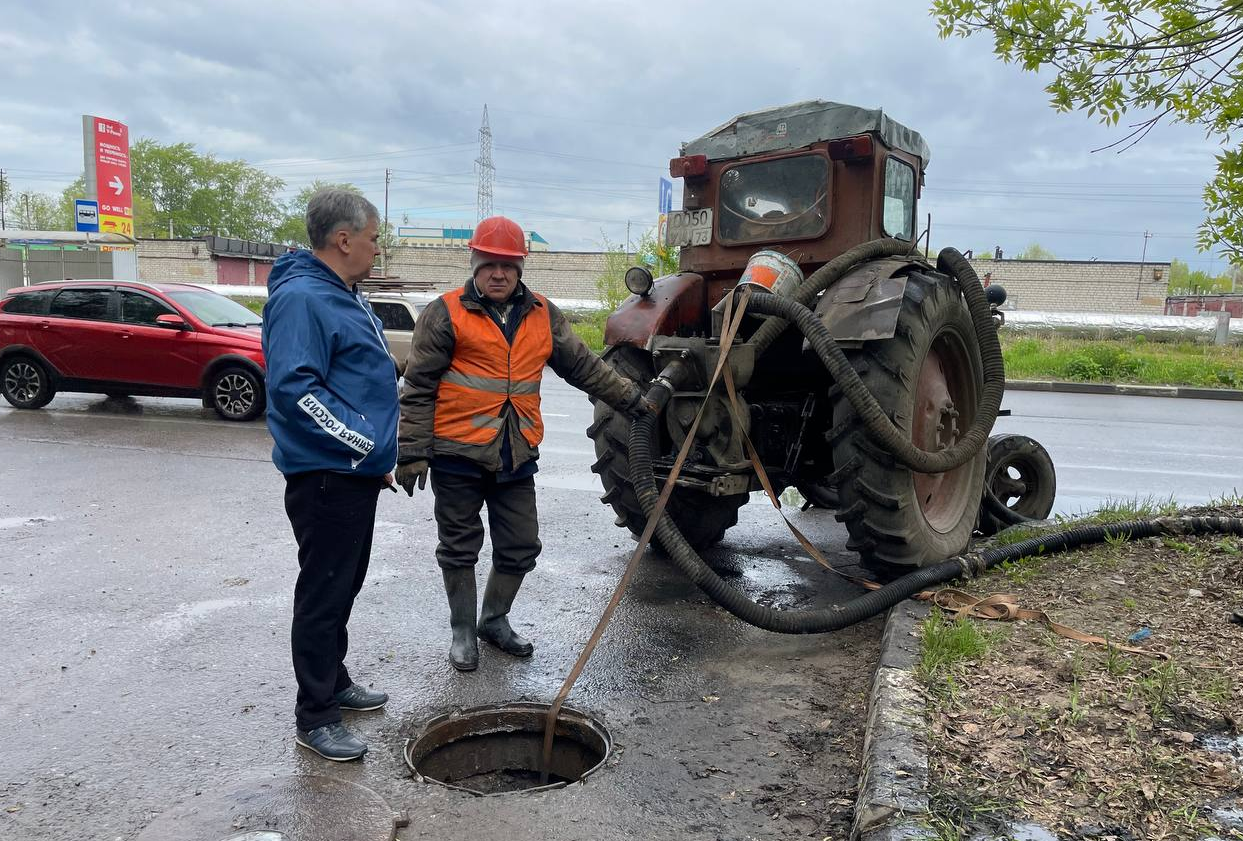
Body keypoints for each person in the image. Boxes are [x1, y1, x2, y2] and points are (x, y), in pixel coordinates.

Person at [396, 215, 652, 671]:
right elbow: (417, 388)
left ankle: (493, 619)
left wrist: (632, 399)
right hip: (457, 453)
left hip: (516, 453)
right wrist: (412, 451)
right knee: (459, 547)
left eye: (508, 266)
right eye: (490, 264)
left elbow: (584, 367)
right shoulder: (446, 311)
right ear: (474, 263)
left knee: (521, 546)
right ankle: (462, 631)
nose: (498, 273)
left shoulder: (542, 313)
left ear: (520, 269)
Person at [262, 188, 399, 761]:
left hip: (351, 473)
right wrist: (364, 443)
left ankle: (335, 681)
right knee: (323, 592)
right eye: (373, 239)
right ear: (343, 240)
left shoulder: (340, 291)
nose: (376, 249)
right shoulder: (303, 300)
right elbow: (296, 390)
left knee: (344, 583)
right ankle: (315, 715)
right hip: (327, 475)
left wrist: (372, 457)